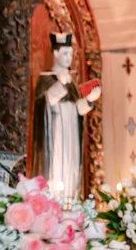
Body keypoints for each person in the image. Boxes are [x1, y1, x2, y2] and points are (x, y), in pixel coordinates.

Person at [32, 32, 101, 208]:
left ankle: (71, 198)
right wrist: (60, 85)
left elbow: (77, 108)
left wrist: (89, 99)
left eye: (70, 54)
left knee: (71, 166)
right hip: (55, 132)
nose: (69, 58)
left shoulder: (71, 81)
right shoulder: (47, 78)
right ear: (55, 54)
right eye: (65, 53)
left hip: (71, 132)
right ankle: (53, 201)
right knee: (57, 164)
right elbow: (44, 103)